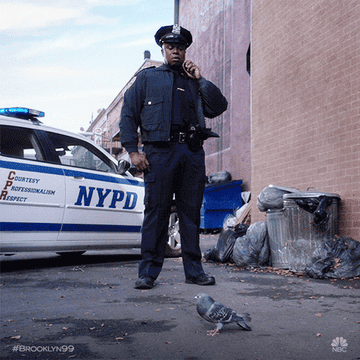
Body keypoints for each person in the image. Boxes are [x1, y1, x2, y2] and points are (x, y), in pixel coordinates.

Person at [119, 24, 228, 289]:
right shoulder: (147, 79)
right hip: (159, 154)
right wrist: (133, 150)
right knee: (156, 212)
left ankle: (194, 271)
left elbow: (219, 107)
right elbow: (128, 115)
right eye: (171, 47)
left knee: (190, 215)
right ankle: (147, 272)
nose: (176, 51)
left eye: (180, 47)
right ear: (163, 48)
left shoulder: (193, 81)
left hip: (191, 153)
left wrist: (201, 80)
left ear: (186, 49)